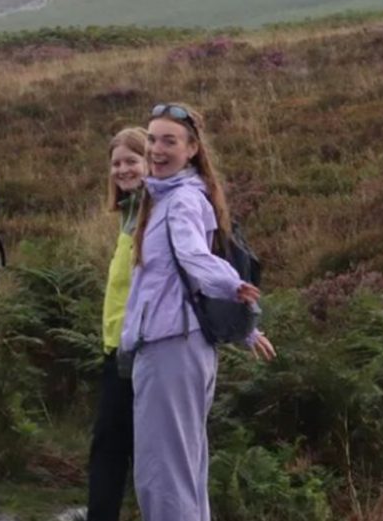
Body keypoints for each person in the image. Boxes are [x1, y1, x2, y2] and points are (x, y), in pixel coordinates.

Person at [119, 103, 275, 521]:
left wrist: (233, 287)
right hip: (179, 345)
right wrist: (245, 329)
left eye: (170, 141)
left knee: (162, 474)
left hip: (171, 347)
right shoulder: (166, 196)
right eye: (152, 139)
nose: (156, 149)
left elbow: (193, 256)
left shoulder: (182, 200)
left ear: (192, 149)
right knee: (183, 468)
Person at [85, 127, 147, 521]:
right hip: (117, 347)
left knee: (114, 446)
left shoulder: (152, 212)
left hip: (138, 349)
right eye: (116, 163)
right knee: (114, 444)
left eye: (131, 161)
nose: (122, 170)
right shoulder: (129, 213)